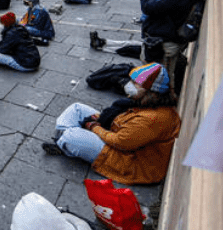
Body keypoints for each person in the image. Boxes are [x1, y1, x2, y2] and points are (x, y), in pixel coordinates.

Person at [43, 63, 181, 184]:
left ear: (150, 91)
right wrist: (100, 118)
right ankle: (65, 143)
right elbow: (124, 122)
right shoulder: (149, 102)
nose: (130, 85)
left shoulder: (151, 119)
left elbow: (120, 141)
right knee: (76, 108)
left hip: (129, 162)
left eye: (136, 83)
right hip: (124, 138)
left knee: (70, 136)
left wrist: (94, 127)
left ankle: (65, 141)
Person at [139, 0, 213, 85]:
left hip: (165, 40)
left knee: (159, 79)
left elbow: (148, 6)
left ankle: (160, 99)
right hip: (171, 35)